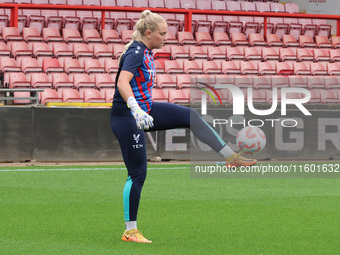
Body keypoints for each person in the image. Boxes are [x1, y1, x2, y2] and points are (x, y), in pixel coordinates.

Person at [110, 10, 257, 243]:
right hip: (128, 118)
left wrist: (142, 109)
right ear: (148, 33)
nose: (165, 37)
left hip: (144, 111)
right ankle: (130, 231)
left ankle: (230, 157)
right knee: (137, 174)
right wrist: (135, 109)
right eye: (162, 33)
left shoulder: (146, 52)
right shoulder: (136, 52)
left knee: (191, 116)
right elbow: (122, 82)